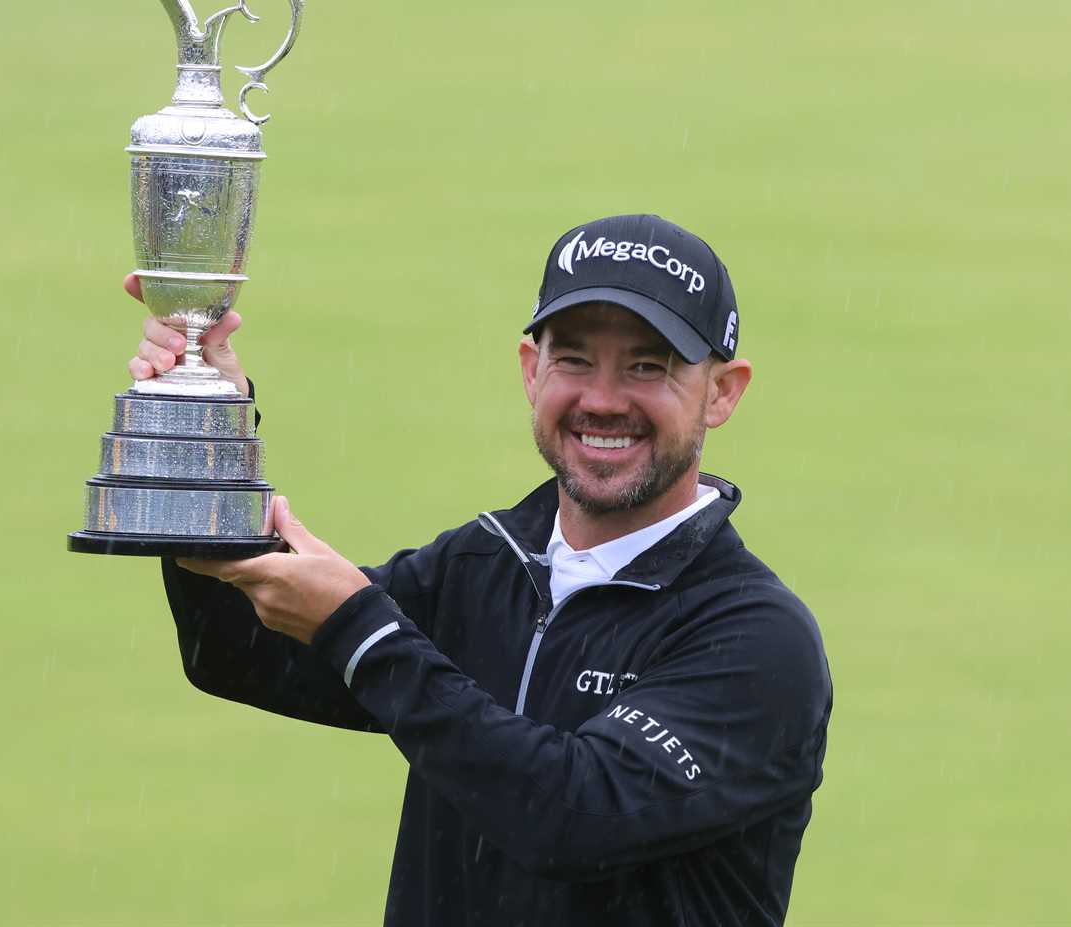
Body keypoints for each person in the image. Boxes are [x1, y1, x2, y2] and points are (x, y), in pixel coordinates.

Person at [129, 214, 833, 926]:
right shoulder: (485, 563)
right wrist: (204, 429)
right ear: (532, 370)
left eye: (648, 366)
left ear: (723, 390)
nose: (603, 399)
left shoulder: (758, 642)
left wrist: (366, 634)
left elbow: (573, 815)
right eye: (575, 359)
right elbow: (235, 650)